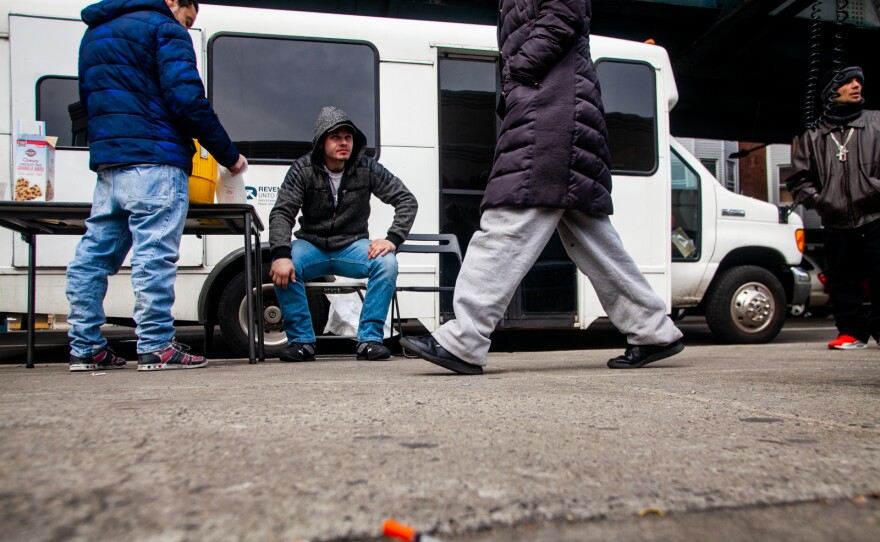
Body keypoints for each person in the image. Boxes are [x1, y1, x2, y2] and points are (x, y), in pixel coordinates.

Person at [400, 0, 684, 375]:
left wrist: (519, 71)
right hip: (557, 109)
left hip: (551, 112)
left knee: (508, 221)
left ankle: (465, 339)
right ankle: (653, 329)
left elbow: (564, 14)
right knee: (593, 239)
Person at [67, 0, 247, 372]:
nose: (186, 24)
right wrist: (229, 155)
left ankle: (85, 347)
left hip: (109, 164)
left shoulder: (95, 33)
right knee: (153, 256)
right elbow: (188, 101)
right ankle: (155, 345)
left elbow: (88, 100)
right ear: (173, 2)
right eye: (188, 16)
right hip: (156, 160)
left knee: (93, 258)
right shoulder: (165, 29)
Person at [268, 106, 418, 362]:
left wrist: (393, 239)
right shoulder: (302, 169)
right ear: (321, 141)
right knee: (284, 265)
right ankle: (302, 342)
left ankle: (369, 340)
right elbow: (282, 212)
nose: (343, 143)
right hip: (311, 245)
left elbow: (406, 199)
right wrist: (281, 254)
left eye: (347, 137)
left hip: (352, 246)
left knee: (387, 263)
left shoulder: (367, 168)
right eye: (335, 137)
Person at [786, 66, 880, 350]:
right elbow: (798, 180)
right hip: (835, 220)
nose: (856, 85)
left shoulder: (876, 122)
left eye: (858, 81)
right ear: (830, 91)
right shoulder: (812, 136)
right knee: (842, 279)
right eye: (848, 81)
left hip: (875, 216)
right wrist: (822, 201)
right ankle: (851, 332)